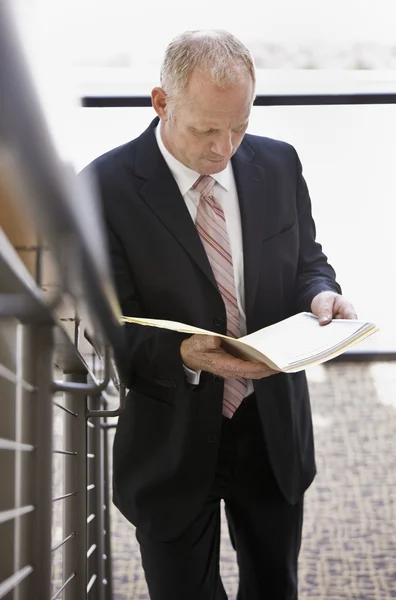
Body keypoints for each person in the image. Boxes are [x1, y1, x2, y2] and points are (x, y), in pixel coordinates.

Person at [84, 29, 357, 600]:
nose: (224, 148)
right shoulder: (104, 188)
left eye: (240, 126)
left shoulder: (279, 164)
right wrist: (184, 354)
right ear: (161, 103)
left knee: (274, 586)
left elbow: (308, 259)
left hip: (271, 425)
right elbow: (106, 327)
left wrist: (321, 294)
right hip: (172, 436)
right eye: (207, 129)